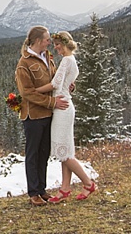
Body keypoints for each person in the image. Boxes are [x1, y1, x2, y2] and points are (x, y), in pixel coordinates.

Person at [36, 31, 98, 202]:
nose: (55, 47)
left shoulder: (66, 60)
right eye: (54, 44)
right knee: (66, 149)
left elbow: (55, 84)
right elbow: (68, 83)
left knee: (62, 151)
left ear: (65, 43)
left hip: (62, 107)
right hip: (66, 105)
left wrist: (33, 92)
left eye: (57, 44)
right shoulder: (73, 61)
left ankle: (88, 183)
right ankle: (65, 188)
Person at [15, 26, 69, 206]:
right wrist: (53, 103)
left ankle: (42, 190)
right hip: (33, 116)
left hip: (48, 114)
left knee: (44, 153)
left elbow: (54, 79)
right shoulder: (24, 64)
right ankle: (33, 193)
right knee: (33, 154)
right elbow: (27, 93)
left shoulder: (47, 57)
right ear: (38, 41)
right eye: (47, 40)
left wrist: (67, 85)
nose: (50, 42)